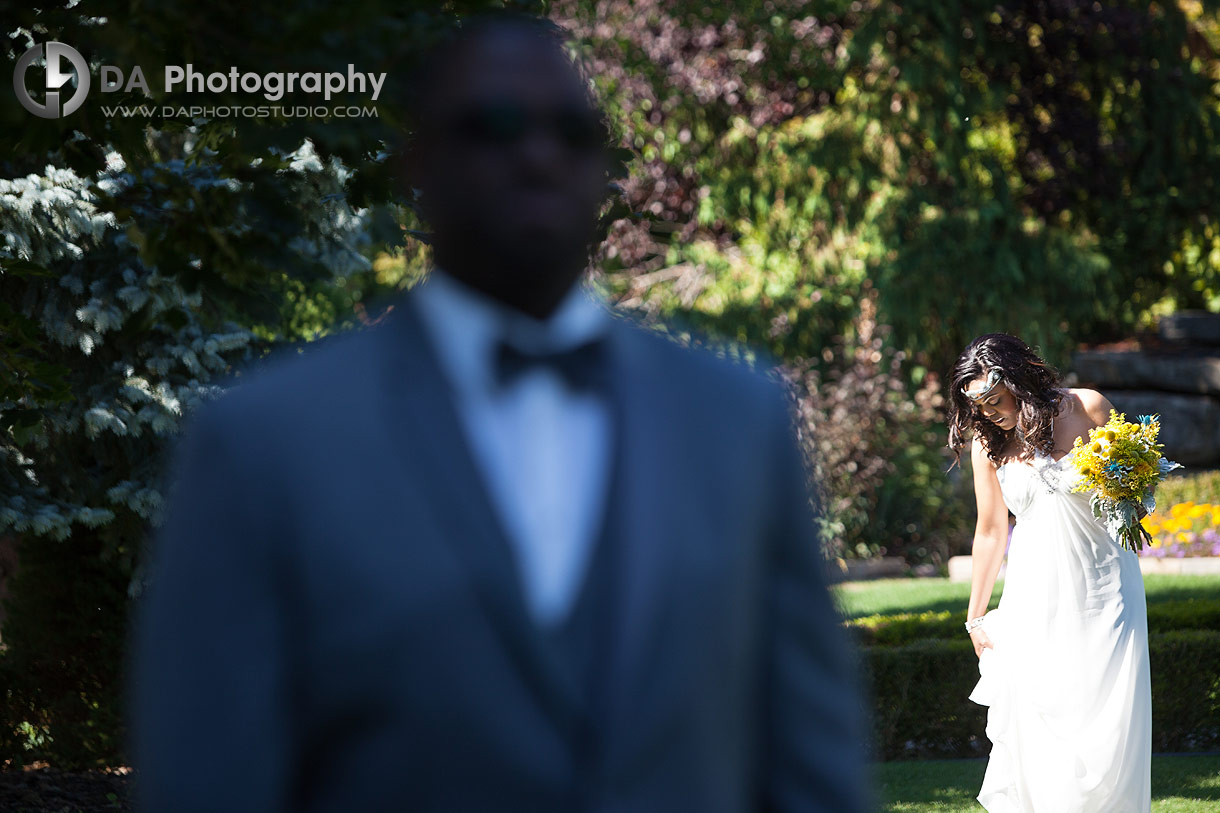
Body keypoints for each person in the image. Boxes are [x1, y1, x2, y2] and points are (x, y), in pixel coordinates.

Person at [128, 11, 869, 812]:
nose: (539, 153)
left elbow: (812, 772)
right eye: (496, 125)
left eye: (573, 131)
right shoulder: (265, 440)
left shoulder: (736, 420)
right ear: (421, 160)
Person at [948, 333, 1152, 812]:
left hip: (1108, 589)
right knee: (1041, 718)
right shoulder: (988, 444)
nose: (990, 414)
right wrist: (975, 616)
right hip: (1034, 595)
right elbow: (991, 530)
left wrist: (1130, 487)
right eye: (980, 408)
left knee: (1110, 723)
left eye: (996, 402)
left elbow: (1133, 506)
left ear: (1018, 380)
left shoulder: (1089, 408)